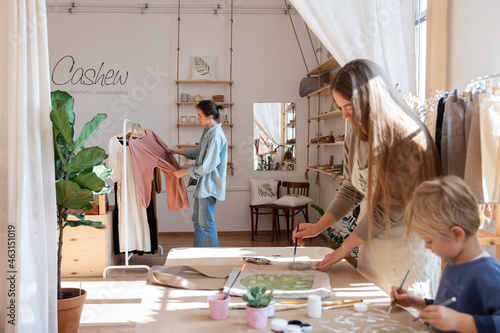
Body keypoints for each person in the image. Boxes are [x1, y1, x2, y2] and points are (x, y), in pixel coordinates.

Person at [293, 59, 441, 297]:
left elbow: (387, 210)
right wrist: (317, 227)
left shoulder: (408, 139)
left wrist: (344, 248)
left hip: (407, 252)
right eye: (340, 108)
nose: (345, 116)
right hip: (370, 245)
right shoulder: (355, 133)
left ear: (371, 99)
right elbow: (352, 188)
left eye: (349, 108)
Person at [391, 176, 500, 332]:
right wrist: (416, 302)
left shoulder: (489, 273)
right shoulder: (452, 263)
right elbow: (451, 307)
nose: (426, 247)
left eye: (429, 240)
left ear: (457, 234)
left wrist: (459, 322)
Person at [172, 100, 228, 247]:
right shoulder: (207, 131)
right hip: (202, 185)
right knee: (198, 223)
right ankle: (196, 255)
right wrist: (178, 151)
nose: (197, 118)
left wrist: (184, 172)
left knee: (207, 224)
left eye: (199, 115)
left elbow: (207, 166)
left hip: (209, 185)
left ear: (209, 116)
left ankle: (212, 259)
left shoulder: (216, 136)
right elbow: (200, 152)